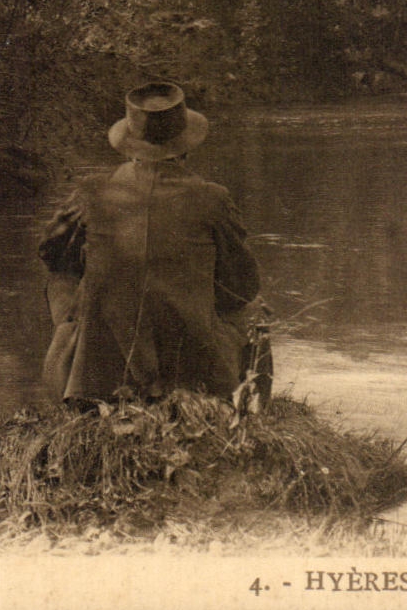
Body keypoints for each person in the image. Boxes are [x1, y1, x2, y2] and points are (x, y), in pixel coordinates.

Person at [38, 80, 271, 411]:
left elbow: (52, 254)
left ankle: (72, 371)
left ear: (129, 144)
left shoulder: (92, 193)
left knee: (60, 278)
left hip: (99, 383)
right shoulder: (212, 198)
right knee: (255, 308)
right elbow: (243, 287)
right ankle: (254, 411)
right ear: (186, 145)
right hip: (198, 379)